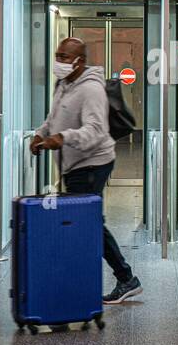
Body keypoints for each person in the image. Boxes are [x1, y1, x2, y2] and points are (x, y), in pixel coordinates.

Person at [30, 36, 142, 305]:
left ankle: (122, 277)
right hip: (73, 164)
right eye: (57, 56)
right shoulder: (64, 84)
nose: (59, 62)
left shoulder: (91, 89)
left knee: (86, 223)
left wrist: (63, 138)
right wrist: (41, 134)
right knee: (87, 223)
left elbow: (96, 131)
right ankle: (119, 278)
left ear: (79, 61)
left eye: (65, 57)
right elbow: (53, 117)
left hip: (92, 163)